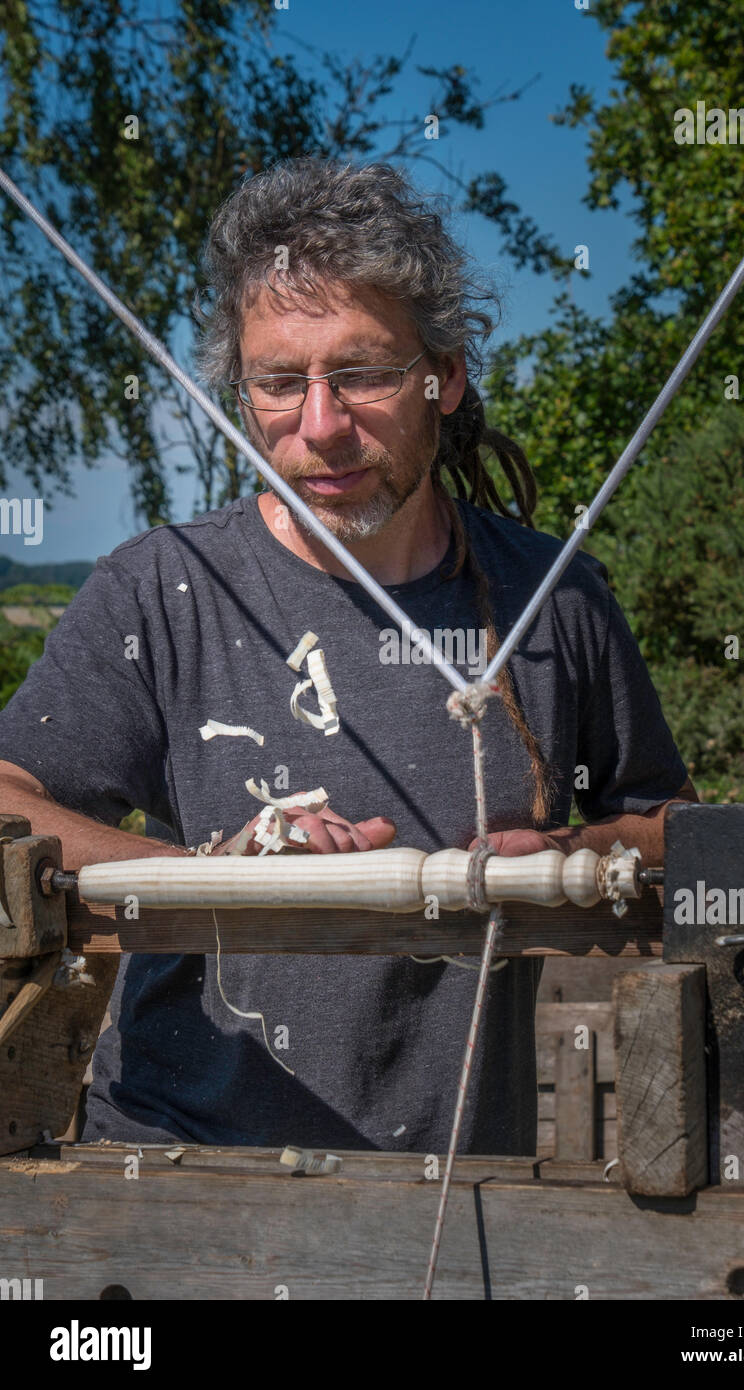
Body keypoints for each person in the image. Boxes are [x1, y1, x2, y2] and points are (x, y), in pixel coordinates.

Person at [0, 159, 696, 1154]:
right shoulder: (162, 588)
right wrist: (218, 871)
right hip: (175, 1178)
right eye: (281, 383)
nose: (320, 427)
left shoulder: (554, 597)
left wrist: (569, 856)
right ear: (241, 395)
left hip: (458, 1194)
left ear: (442, 376)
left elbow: (671, 822)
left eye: (362, 373)